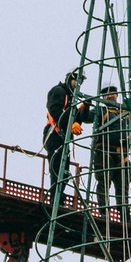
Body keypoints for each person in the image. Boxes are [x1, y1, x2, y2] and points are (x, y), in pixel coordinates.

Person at [91, 83, 131, 229]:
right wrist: (84, 107)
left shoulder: (125, 113)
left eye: (113, 92)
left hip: (122, 155)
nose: (110, 95)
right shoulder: (100, 110)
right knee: (104, 182)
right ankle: (104, 212)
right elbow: (85, 116)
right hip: (104, 152)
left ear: (117, 95)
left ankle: (125, 217)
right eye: (106, 93)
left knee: (123, 187)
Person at [42, 67, 94, 195]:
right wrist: (70, 124)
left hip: (62, 137)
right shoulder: (59, 91)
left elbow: (74, 118)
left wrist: (83, 109)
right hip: (54, 134)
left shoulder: (71, 98)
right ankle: (56, 197)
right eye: (77, 80)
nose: (79, 84)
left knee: (64, 169)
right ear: (71, 78)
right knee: (57, 167)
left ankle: (59, 195)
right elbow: (55, 111)